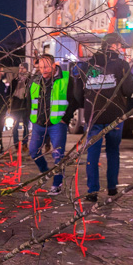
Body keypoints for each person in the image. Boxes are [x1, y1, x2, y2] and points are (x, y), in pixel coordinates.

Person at [80, 33, 133, 202]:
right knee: (113, 151)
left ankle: (92, 191)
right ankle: (112, 188)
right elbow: (129, 89)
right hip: (115, 115)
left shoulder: (87, 64)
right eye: (119, 45)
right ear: (113, 45)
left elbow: (77, 91)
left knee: (92, 153)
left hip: (93, 116)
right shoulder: (121, 65)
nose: (120, 48)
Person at [27, 53, 81, 195]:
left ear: (53, 65)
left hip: (57, 123)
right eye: (40, 67)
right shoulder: (35, 80)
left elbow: (75, 100)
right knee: (33, 151)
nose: (43, 70)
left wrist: (66, 118)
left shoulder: (66, 79)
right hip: (38, 123)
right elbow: (29, 101)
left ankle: (56, 184)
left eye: (46, 67)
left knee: (58, 155)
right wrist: (30, 117)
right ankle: (46, 173)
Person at [10, 62, 31, 149]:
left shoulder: (30, 79)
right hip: (16, 105)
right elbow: (10, 93)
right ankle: (15, 142)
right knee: (15, 124)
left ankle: (25, 143)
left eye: (23, 68)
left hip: (25, 104)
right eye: (20, 68)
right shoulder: (14, 81)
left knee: (26, 124)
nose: (21, 70)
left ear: (26, 69)